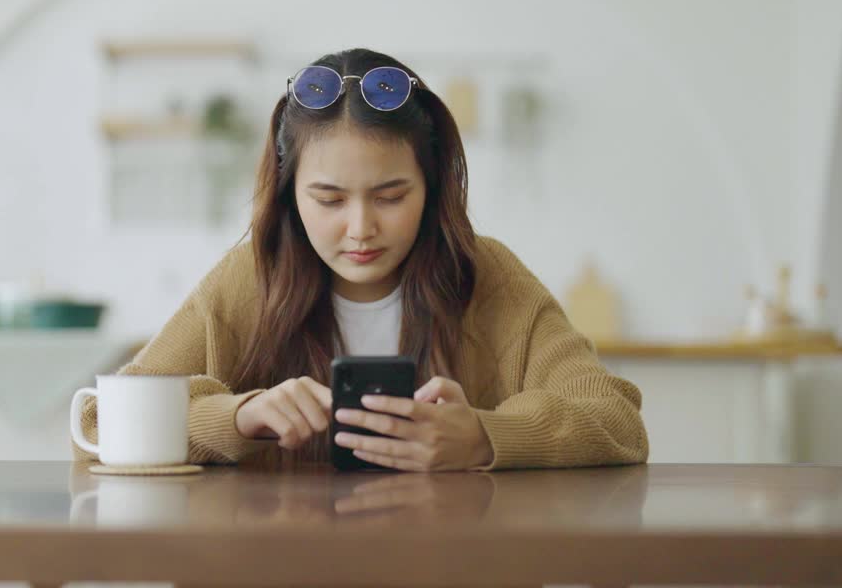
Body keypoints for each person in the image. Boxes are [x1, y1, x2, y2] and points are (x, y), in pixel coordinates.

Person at [74, 48, 648, 471]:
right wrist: (239, 416)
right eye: (328, 199)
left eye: (391, 197)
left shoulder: (487, 275)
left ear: (432, 189)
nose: (360, 229)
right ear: (289, 195)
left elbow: (616, 420)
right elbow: (99, 422)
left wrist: (486, 437)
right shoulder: (251, 277)